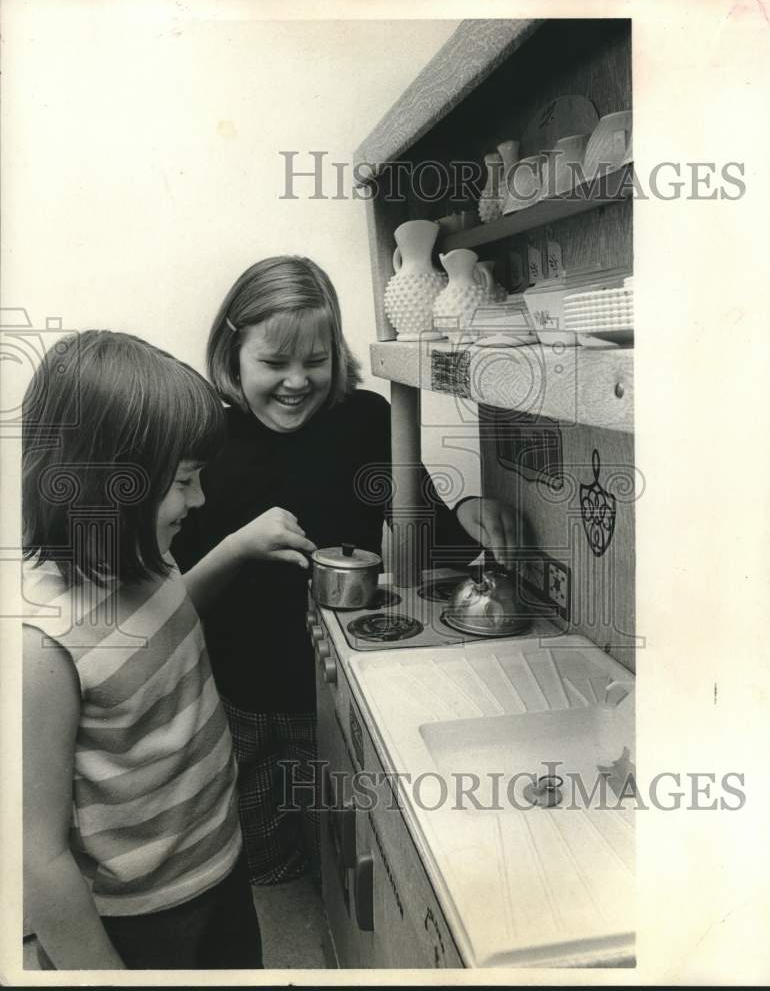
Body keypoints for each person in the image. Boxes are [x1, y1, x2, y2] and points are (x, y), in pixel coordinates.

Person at [172, 256, 518, 887]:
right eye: (273, 364)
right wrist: (238, 545)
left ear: (337, 352)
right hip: (232, 703)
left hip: (336, 692)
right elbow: (172, 598)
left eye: (315, 361)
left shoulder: (363, 421)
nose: (297, 382)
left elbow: (429, 530)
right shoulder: (206, 441)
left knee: (347, 864)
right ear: (232, 353)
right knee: (262, 869)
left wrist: (466, 507)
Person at [21, 330, 315, 970]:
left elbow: (170, 622)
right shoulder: (44, 645)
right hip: (137, 919)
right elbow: (32, 854)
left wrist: (234, 549)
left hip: (219, 866)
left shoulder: (147, 564)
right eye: (183, 481)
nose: (200, 499)